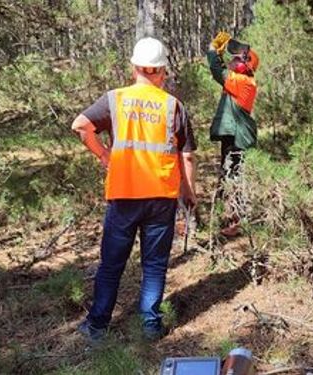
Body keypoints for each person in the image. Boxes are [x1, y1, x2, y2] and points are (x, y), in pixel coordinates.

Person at [71, 37, 197, 342]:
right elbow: (188, 155)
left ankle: (97, 325)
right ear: (162, 71)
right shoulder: (173, 106)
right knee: (154, 265)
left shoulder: (115, 99)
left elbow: (80, 125)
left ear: (134, 68)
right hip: (161, 197)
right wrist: (189, 192)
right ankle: (150, 325)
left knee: (112, 263)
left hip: (124, 195)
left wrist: (104, 155)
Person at [207, 32, 259, 237]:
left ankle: (240, 221)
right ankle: (233, 217)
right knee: (231, 176)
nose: (231, 60)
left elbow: (216, 70)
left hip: (238, 137)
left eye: (235, 58)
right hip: (234, 135)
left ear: (244, 65)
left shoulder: (242, 81)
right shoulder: (240, 80)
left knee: (235, 177)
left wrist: (213, 51)